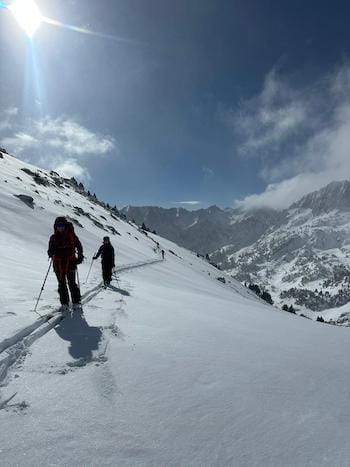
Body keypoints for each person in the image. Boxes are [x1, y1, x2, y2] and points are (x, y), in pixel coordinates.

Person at [48, 216, 84, 310]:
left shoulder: (71, 235)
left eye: (61, 225)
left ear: (65, 225)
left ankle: (76, 302)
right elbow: (50, 250)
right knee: (61, 284)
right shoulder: (53, 237)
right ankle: (64, 303)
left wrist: (80, 256)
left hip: (70, 262)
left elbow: (79, 246)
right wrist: (50, 253)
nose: (60, 227)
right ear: (55, 226)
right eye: (58, 225)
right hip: (58, 265)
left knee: (72, 283)